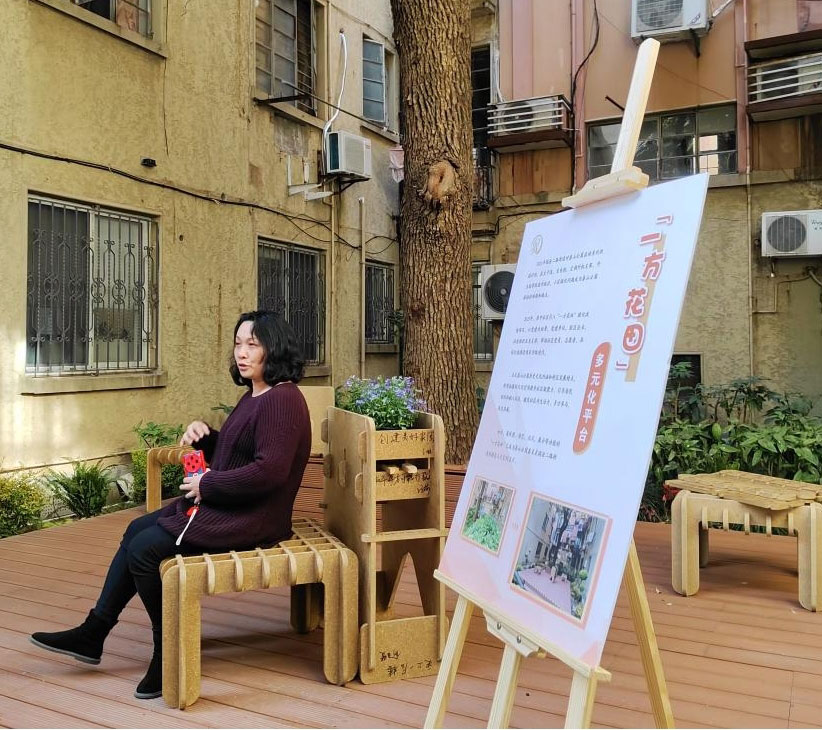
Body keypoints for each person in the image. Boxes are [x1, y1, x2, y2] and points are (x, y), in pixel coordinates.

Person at [29, 311, 312, 699]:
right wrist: (207, 438)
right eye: (237, 343)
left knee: (146, 550)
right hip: (231, 506)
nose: (242, 353)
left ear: (274, 348)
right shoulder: (255, 394)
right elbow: (239, 454)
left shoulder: (283, 400)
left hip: (253, 519)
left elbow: (270, 472)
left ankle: (167, 652)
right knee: (135, 530)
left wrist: (208, 483)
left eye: (253, 344)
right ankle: (93, 632)